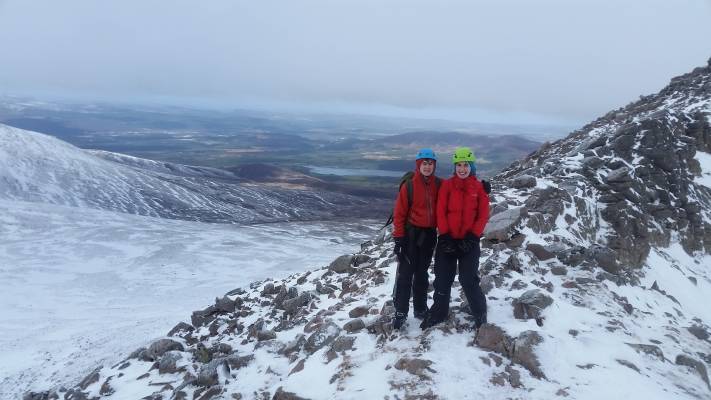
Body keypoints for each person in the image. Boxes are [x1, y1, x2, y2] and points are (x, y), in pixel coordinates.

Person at [420, 146, 490, 330]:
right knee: (442, 279)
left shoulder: (479, 188)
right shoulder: (447, 186)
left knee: (468, 280)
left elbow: (483, 215)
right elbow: (441, 211)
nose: (462, 169)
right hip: (448, 240)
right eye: (458, 165)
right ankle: (438, 313)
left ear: (471, 166)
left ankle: (480, 313)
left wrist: (473, 237)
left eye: (465, 165)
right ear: (455, 166)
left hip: (469, 241)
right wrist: (444, 235)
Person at [391, 148, 441, 329]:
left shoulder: (439, 184)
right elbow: (399, 214)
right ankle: (400, 312)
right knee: (405, 275)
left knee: (421, 274)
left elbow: (458, 190)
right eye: (424, 163)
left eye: (430, 163)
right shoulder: (409, 186)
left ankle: (420, 309)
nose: (427, 166)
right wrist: (399, 239)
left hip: (428, 236)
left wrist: (481, 188)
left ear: (434, 165)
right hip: (411, 236)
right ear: (418, 165)